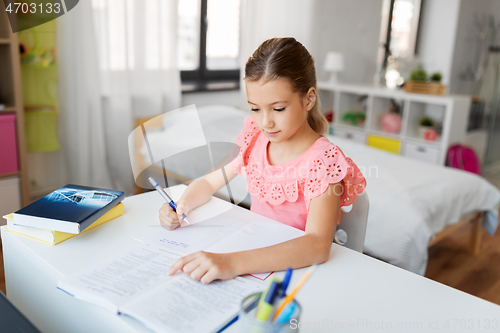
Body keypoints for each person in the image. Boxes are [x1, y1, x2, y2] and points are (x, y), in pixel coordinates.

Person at [161, 37, 366, 284]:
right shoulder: (253, 139)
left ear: (309, 99)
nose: (265, 122)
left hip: (294, 274)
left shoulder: (324, 161)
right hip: (254, 257)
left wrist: (232, 263)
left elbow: (317, 245)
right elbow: (208, 183)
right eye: (255, 109)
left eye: (278, 109)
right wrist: (180, 205)